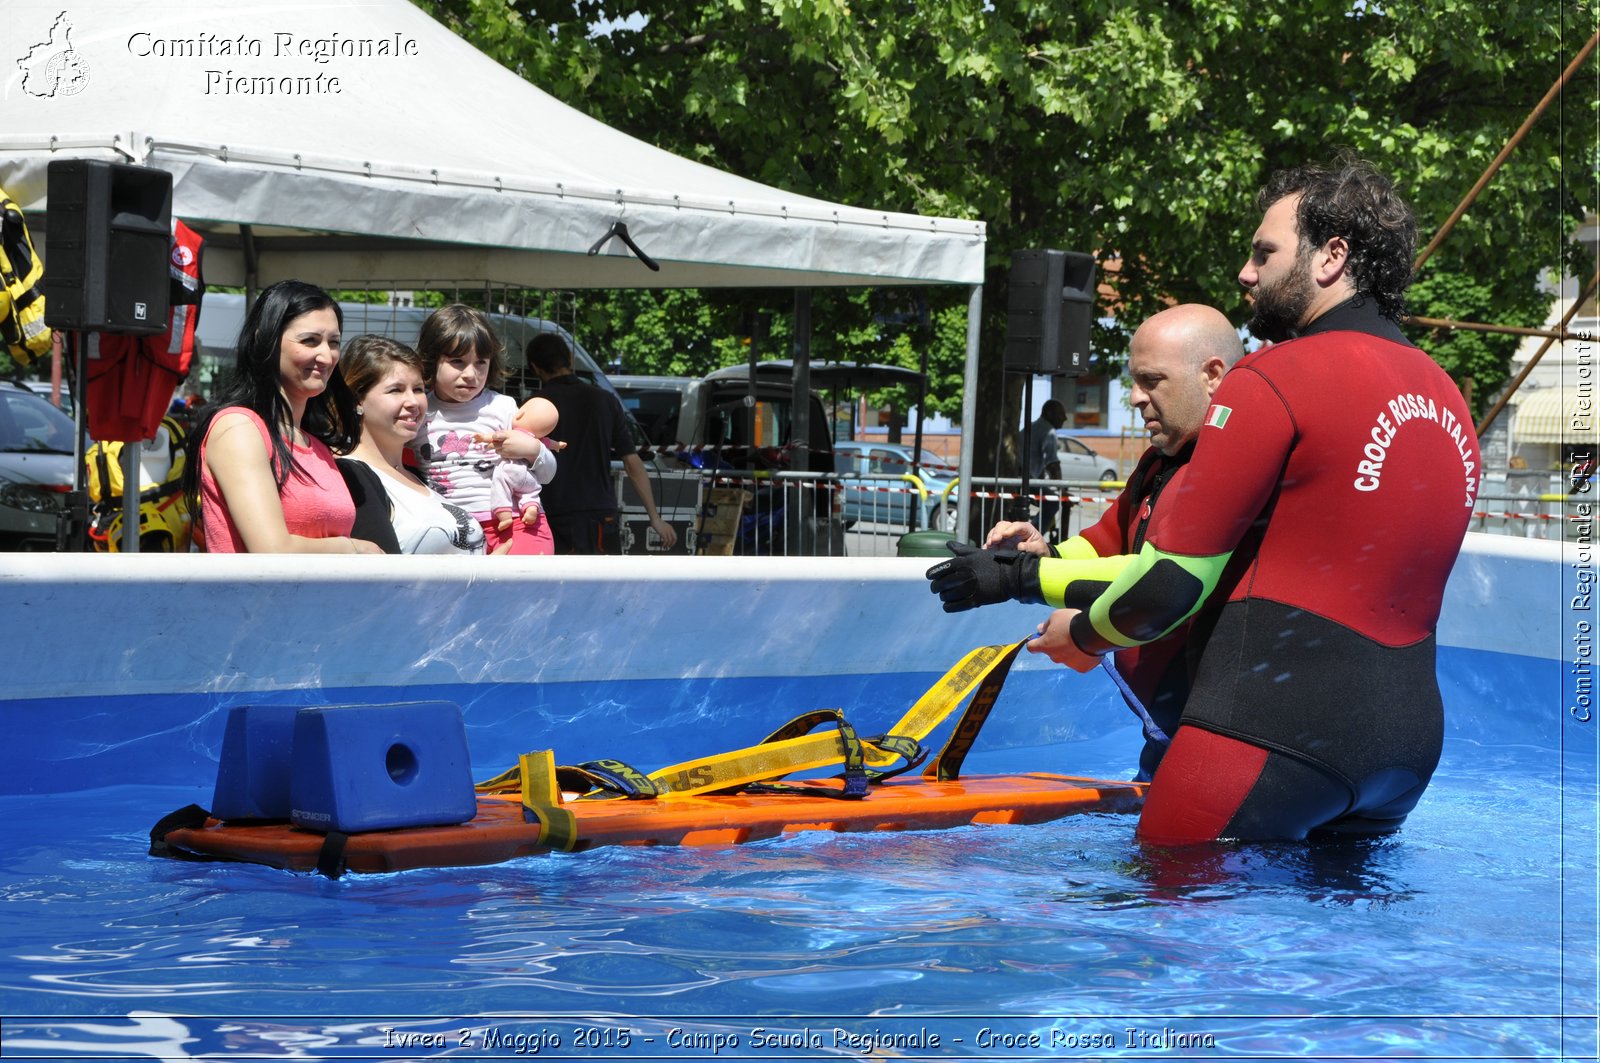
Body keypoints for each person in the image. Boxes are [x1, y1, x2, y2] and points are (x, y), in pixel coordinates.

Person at [1051, 156, 1479, 845]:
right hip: (1404, 750)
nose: (1246, 275)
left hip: (1267, 731)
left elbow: (1168, 587)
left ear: (1331, 257)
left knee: (1156, 933)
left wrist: (1079, 636)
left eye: (1264, 253)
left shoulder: (1270, 378)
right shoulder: (1446, 396)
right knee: (1328, 951)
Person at [927, 304, 1245, 780]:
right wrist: (1046, 552)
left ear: (1213, 376)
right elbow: (1106, 543)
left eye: (1151, 380)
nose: (1135, 398)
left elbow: (1155, 579)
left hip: (1220, 729)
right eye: (1133, 381)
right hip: (1172, 723)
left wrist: (1018, 577)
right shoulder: (1158, 464)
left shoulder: (1234, 467)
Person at [182, 279, 384, 554]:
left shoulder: (319, 446)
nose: (326, 356)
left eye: (334, 342)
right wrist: (356, 550)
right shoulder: (238, 428)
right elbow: (272, 550)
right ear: (264, 341)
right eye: (309, 341)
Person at [413, 305, 556, 555]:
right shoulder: (418, 411)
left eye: (481, 363)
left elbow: (547, 474)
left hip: (518, 523)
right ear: (430, 360)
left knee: (524, 589)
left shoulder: (503, 408)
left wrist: (534, 450)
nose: (471, 374)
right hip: (450, 531)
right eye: (457, 361)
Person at [526, 332, 679, 554]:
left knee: (557, 586)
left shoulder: (533, 406)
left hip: (553, 512)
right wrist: (654, 517)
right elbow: (632, 462)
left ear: (535, 367)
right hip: (599, 513)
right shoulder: (605, 400)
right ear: (569, 358)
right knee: (603, 586)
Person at [335, 335, 485, 555]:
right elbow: (385, 576)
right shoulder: (350, 476)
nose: (413, 402)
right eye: (395, 390)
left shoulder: (420, 473)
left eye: (418, 389)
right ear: (357, 399)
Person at [486, 396, 562, 544]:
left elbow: (496, 437)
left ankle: (504, 514)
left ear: (519, 414)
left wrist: (484, 439)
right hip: (527, 475)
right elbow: (548, 443)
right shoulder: (535, 438)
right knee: (530, 493)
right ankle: (532, 507)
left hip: (509, 471)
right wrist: (557, 445)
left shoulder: (507, 412)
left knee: (501, 486)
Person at [1027, 398, 1068, 537]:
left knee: (1046, 497)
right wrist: (1063, 490)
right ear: (1050, 414)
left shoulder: (1032, 426)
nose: (1065, 418)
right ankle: (1031, 535)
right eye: (1061, 414)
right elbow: (1052, 464)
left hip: (1021, 478)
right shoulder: (1048, 431)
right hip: (1025, 481)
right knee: (1052, 502)